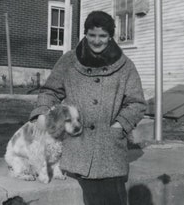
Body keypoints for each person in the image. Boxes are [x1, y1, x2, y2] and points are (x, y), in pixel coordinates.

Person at [30, 11, 146, 205]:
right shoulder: (68, 61)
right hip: (78, 147)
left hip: (109, 149)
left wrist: (119, 125)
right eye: (92, 35)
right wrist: (42, 112)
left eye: (102, 36)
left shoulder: (126, 67)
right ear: (85, 34)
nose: (97, 41)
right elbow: (50, 91)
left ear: (110, 37)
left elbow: (136, 103)